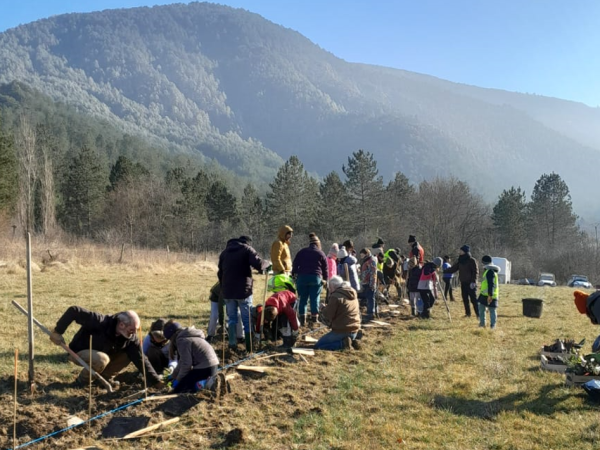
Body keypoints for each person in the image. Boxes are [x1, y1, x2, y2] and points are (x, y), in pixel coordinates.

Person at [49, 307, 162, 388]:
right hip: (79, 352)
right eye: (131, 330)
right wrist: (57, 331)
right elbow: (74, 311)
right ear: (122, 325)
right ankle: (81, 382)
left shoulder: (130, 338)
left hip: (104, 357)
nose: (133, 334)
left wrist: (156, 380)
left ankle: (104, 379)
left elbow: (141, 359)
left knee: (129, 354)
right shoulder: (100, 321)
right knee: (102, 359)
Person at [218, 235, 271, 352]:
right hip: (244, 291)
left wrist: (224, 288)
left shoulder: (224, 253)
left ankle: (232, 345)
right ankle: (249, 347)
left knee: (232, 319)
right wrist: (267, 264)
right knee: (247, 320)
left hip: (228, 292)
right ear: (248, 243)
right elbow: (258, 264)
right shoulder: (247, 249)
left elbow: (220, 273)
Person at [163, 321, 223, 394]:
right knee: (186, 382)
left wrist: (178, 381)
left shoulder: (181, 341)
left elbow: (186, 365)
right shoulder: (187, 336)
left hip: (205, 368)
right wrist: (173, 375)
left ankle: (207, 384)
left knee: (181, 389)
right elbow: (182, 361)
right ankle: (210, 381)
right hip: (213, 366)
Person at [315, 276, 361, 351]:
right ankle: (351, 341)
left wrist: (323, 308)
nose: (329, 290)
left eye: (329, 288)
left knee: (318, 346)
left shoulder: (335, 296)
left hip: (342, 331)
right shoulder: (352, 293)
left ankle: (343, 344)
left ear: (333, 286)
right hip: (354, 329)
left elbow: (327, 315)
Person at [292, 233, 328, 326]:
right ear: (318, 244)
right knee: (314, 298)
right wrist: (326, 279)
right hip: (315, 278)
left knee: (302, 299)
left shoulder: (302, 252)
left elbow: (295, 264)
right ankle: (314, 318)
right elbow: (325, 268)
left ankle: (302, 319)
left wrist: (293, 274)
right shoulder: (321, 253)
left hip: (302, 278)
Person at [256, 274, 299, 347]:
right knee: (280, 321)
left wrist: (296, 330)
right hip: (280, 301)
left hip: (292, 299)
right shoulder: (266, 307)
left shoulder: (284, 306)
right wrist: (257, 334)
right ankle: (280, 336)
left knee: (285, 320)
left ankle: (287, 341)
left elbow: (292, 316)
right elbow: (260, 319)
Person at [444, 245, 479, 318]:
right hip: (463, 282)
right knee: (465, 299)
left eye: (461, 251)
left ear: (465, 251)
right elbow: (454, 269)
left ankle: (478, 314)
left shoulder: (471, 260)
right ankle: (468, 314)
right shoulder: (460, 260)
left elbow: (475, 272)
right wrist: (444, 271)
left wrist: (474, 281)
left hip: (471, 283)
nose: (459, 252)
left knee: (473, 299)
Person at [478, 255, 500, 329]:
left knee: (490, 310)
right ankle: (487, 325)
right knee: (488, 310)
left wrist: (490, 295)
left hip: (488, 295)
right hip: (487, 294)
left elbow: (491, 284)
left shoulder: (489, 272)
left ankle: (489, 325)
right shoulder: (492, 271)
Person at [359, 248, 378, 321]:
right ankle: (371, 312)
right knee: (368, 298)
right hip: (365, 282)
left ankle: (371, 313)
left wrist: (372, 284)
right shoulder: (366, 261)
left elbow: (373, 273)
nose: (361, 256)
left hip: (369, 283)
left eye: (362, 255)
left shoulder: (371, 261)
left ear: (366, 254)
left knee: (370, 298)